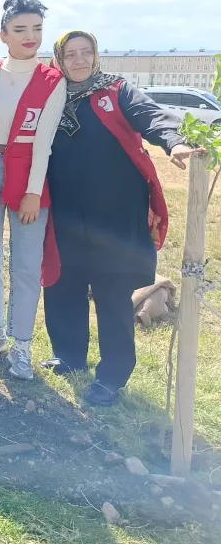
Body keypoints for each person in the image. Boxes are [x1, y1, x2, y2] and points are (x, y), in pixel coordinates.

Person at [41, 30, 198, 406]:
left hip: (114, 215)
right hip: (65, 212)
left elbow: (151, 115)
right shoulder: (50, 96)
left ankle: (112, 375)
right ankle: (69, 356)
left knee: (111, 294)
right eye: (70, 54)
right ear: (59, 59)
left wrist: (174, 140)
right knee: (63, 286)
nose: (79, 60)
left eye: (86, 52)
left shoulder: (116, 90)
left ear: (96, 55)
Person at [0, 0, 66, 379]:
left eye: (37, 28)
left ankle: (21, 344)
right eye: (20, 29)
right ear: (3, 34)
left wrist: (34, 192)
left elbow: (44, 143)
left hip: (29, 174)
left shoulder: (52, 80)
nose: (30, 36)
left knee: (25, 265)